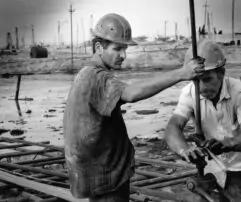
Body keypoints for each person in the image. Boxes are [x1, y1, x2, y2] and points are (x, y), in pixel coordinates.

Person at [63, 13, 204, 202]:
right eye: (117, 48)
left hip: (94, 174)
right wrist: (182, 73)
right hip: (106, 178)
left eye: (125, 49)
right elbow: (131, 93)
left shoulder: (84, 74)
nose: (123, 55)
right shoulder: (97, 77)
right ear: (98, 47)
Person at [164, 39, 241, 202]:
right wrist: (184, 150)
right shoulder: (189, 93)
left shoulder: (238, 89)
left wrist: (226, 144)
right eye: (196, 80)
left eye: (207, 79)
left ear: (221, 73)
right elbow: (172, 128)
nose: (201, 87)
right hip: (213, 172)